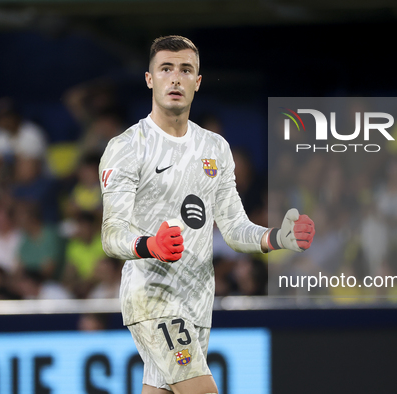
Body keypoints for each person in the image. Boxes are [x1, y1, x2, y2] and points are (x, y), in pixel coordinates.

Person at [99, 35, 315, 394]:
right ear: (150, 78)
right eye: (166, 68)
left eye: (186, 70)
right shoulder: (127, 147)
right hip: (152, 297)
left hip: (198, 300)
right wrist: (149, 244)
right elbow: (111, 234)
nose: (176, 78)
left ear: (197, 82)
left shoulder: (215, 148)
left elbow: (233, 227)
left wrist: (276, 236)